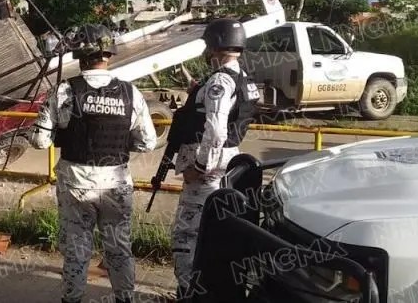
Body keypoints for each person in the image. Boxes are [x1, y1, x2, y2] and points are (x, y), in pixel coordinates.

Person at [30, 24, 158, 303]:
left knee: (76, 250)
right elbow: (148, 142)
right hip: (116, 183)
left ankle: (72, 299)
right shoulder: (131, 93)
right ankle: (125, 298)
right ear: (109, 53)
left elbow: (39, 141)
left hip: (76, 183)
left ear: (79, 54)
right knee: (119, 249)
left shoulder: (64, 91)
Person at [159, 18, 260, 299]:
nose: (206, 51)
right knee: (212, 236)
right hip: (226, 165)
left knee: (186, 239)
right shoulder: (242, 77)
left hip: (206, 173)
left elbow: (215, 129)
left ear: (215, 46)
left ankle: (189, 293)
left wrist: (199, 166)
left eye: (207, 45)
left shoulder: (219, 80)